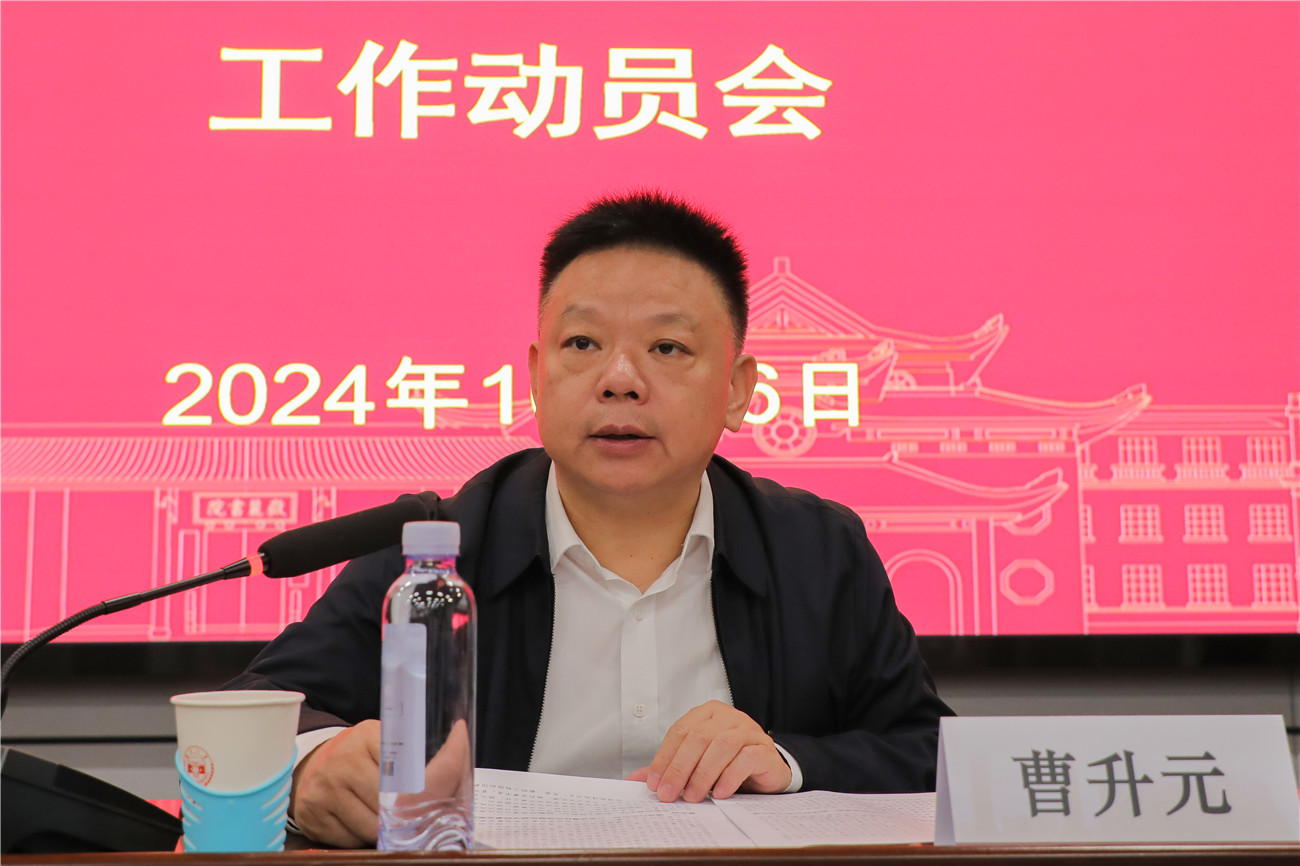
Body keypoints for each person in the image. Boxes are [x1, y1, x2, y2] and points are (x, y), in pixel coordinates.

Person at [226, 191, 954, 847]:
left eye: (667, 348)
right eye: (582, 344)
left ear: (737, 390)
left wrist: (787, 762)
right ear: (536, 376)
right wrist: (312, 766)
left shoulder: (816, 550)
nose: (619, 380)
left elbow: (932, 753)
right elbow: (252, 711)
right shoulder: (440, 548)